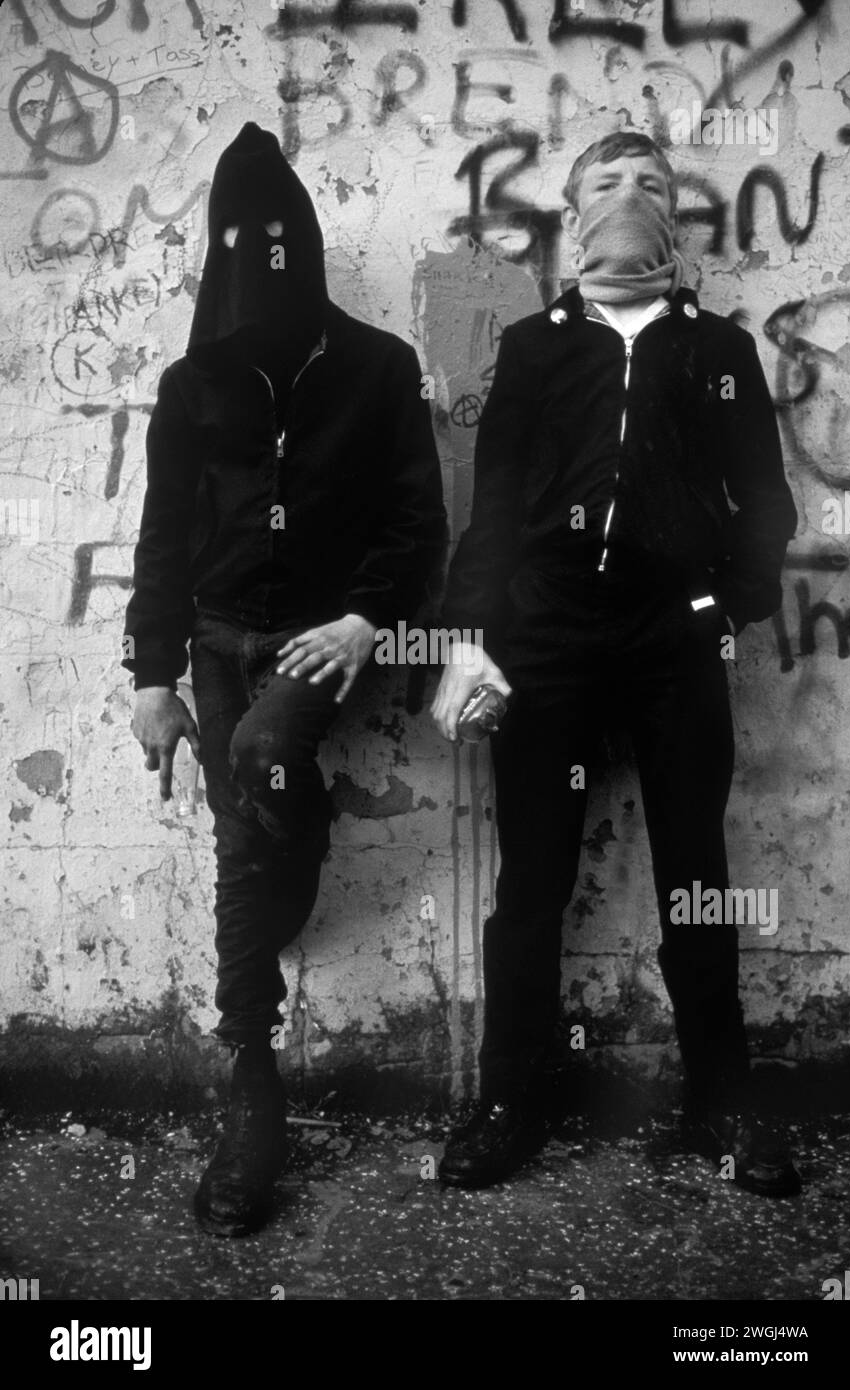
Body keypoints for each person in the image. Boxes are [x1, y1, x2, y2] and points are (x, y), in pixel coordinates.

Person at [432, 130, 801, 1198]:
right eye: (606, 182)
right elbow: (493, 501)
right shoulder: (536, 346)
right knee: (532, 881)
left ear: (677, 213)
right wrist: (468, 637)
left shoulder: (718, 350)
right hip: (545, 639)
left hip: (672, 638)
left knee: (697, 874)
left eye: (649, 183)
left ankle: (723, 1102)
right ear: (570, 207)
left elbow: (764, 500)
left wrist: (724, 598)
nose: (628, 197)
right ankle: (511, 1101)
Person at [123, 122, 445, 1236]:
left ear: (304, 243)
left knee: (263, 766)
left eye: (278, 236)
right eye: (238, 240)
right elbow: (162, 537)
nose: (259, 256)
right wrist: (152, 676)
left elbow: (418, 523)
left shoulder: (379, 367)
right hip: (216, 641)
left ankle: (292, 847)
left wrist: (366, 621)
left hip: (320, 639)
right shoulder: (190, 382)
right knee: (234, 843)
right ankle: (251, 1087)